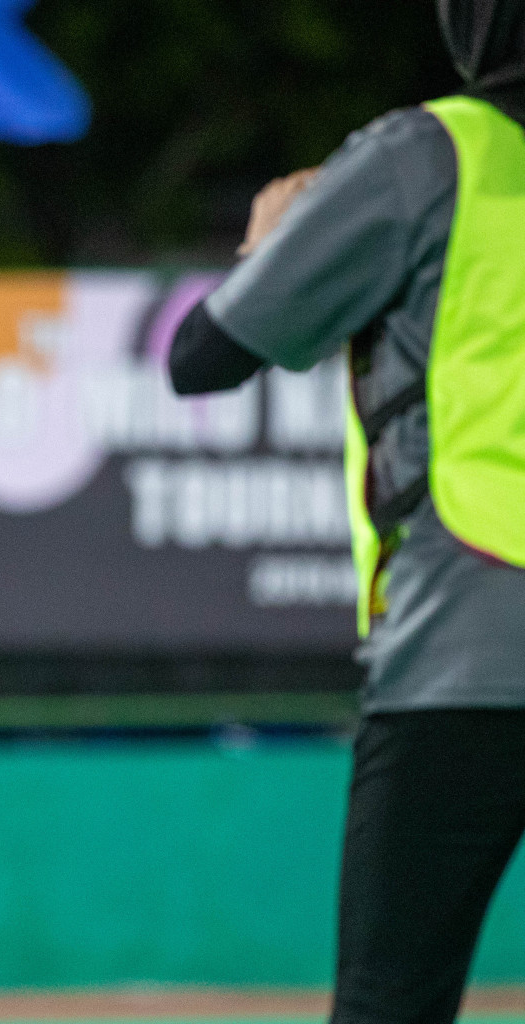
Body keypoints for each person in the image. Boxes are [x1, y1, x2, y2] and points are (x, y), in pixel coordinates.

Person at [169, 3, 525, 1021]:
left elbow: (204, 355)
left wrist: (287, 253)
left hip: (468, 644)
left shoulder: (431, 153)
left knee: (389, 1001)